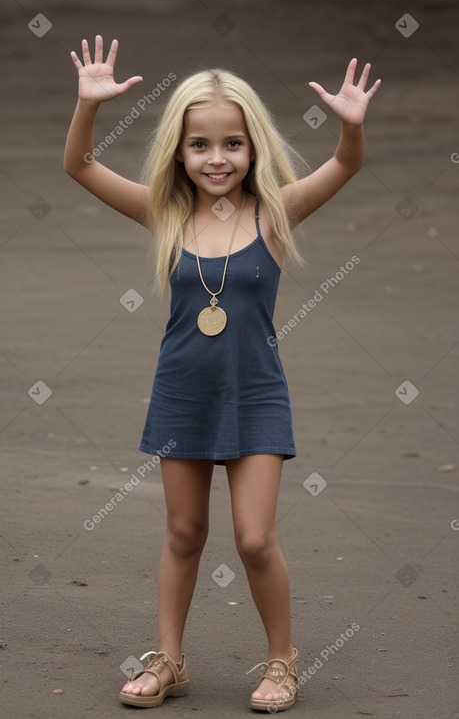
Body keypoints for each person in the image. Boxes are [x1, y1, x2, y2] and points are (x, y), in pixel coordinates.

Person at [64, 35, 380, 712]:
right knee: (182, 533)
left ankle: (281, 661)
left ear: (253, 147)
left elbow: (344, 166)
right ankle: (169, 661)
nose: (216, 158)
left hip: (255, 392)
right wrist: (88, 105)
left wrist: (350, 127)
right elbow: (80, 167)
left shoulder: (274, 213)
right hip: (181, 390)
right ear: (178, 151)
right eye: (200, 144)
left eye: (232, 143)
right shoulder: (165, 213)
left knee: (254, 537)